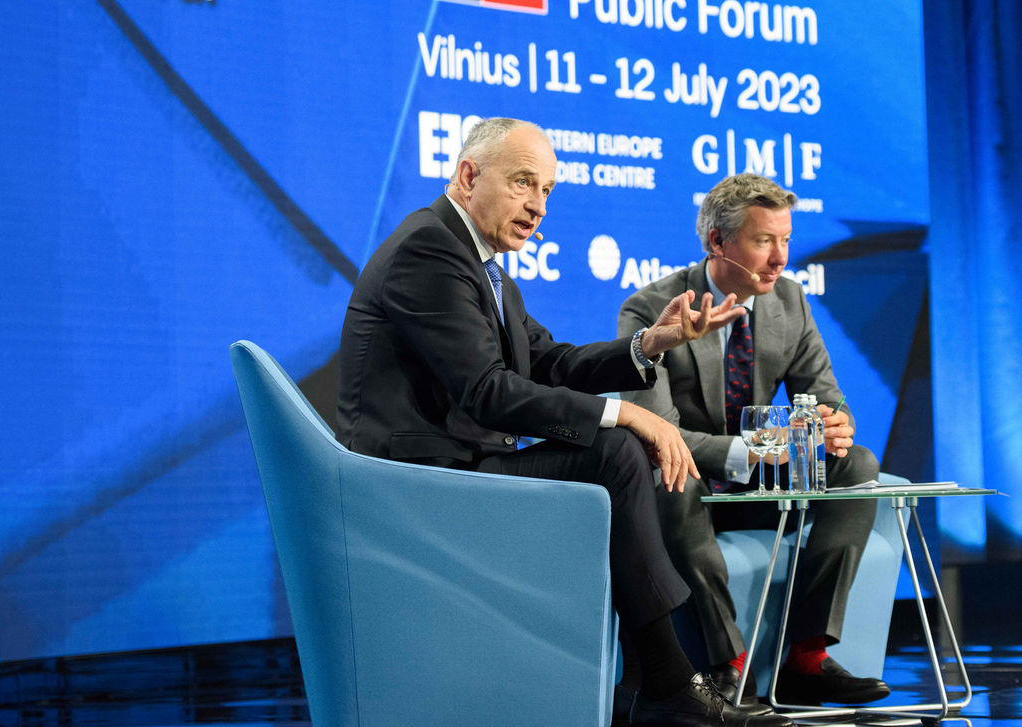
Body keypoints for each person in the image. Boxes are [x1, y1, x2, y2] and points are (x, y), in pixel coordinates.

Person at [336, 119, 793, 727]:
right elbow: (486, 392)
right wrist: (629, 413)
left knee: (614, 452)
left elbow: (549, 362)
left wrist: (649, 345)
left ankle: (651, 680)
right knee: (613, 451)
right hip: (421, 479)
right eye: (525, 183)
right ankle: (665, 682)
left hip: (458, 466)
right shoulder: (430, 252)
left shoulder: (482, 265)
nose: (538, 206)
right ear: (469, 175)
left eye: (548, 191)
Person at [617, 173, 892, 709]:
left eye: (785, 240)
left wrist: (834, 426)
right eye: (764, 241)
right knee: (672, 475)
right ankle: (727, 667)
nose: (780, 258)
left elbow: (828, 398)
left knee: (857, 463)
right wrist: (756, 451)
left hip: (760, 478)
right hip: (688, 486)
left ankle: (807, 659)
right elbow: (660, 436)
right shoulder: (651, 310)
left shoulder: (790, 301)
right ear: (718, 242)